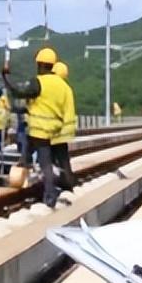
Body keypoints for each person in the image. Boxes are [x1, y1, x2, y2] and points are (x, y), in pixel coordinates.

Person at [1, 47, 74, 207]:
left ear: (40, 65)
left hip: (39, 130)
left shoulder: (39, 82)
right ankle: (55, 185)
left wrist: (6, 77)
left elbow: (20, 92)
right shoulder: (62, 86)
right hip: (55, 129)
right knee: (50, 161)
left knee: (45, 163)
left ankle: (49, 196)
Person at [52, 60, 79, 191]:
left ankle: (53, 184)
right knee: (63, 159)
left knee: (49, 159)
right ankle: (68, 182)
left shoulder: (52, 87)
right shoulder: (67, 89)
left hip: (52, 130)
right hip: (65, 131)